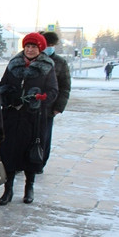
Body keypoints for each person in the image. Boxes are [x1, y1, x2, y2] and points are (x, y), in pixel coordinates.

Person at [0, 33, 59, 205]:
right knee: (8, 153)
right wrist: (7, 96)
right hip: (12, 117)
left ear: (40, 49)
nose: (30, 50)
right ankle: (7, 190)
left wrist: (39, 98)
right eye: (28, 46)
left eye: (34, 47)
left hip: (33, 118)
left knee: (30, 154)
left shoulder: (47, 67)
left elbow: (53, 91)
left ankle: (29, 187)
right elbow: (2, 85)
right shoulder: (13, 64)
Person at [38, 31, 71, 169]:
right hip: (30, 106)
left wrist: (59, 107)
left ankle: (40, 162)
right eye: (47, 44)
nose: (49, 47)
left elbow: (65, 86)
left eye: (52, 45)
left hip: (48, 107)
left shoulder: (60, 62)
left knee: (44, 137)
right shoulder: (34, 58)